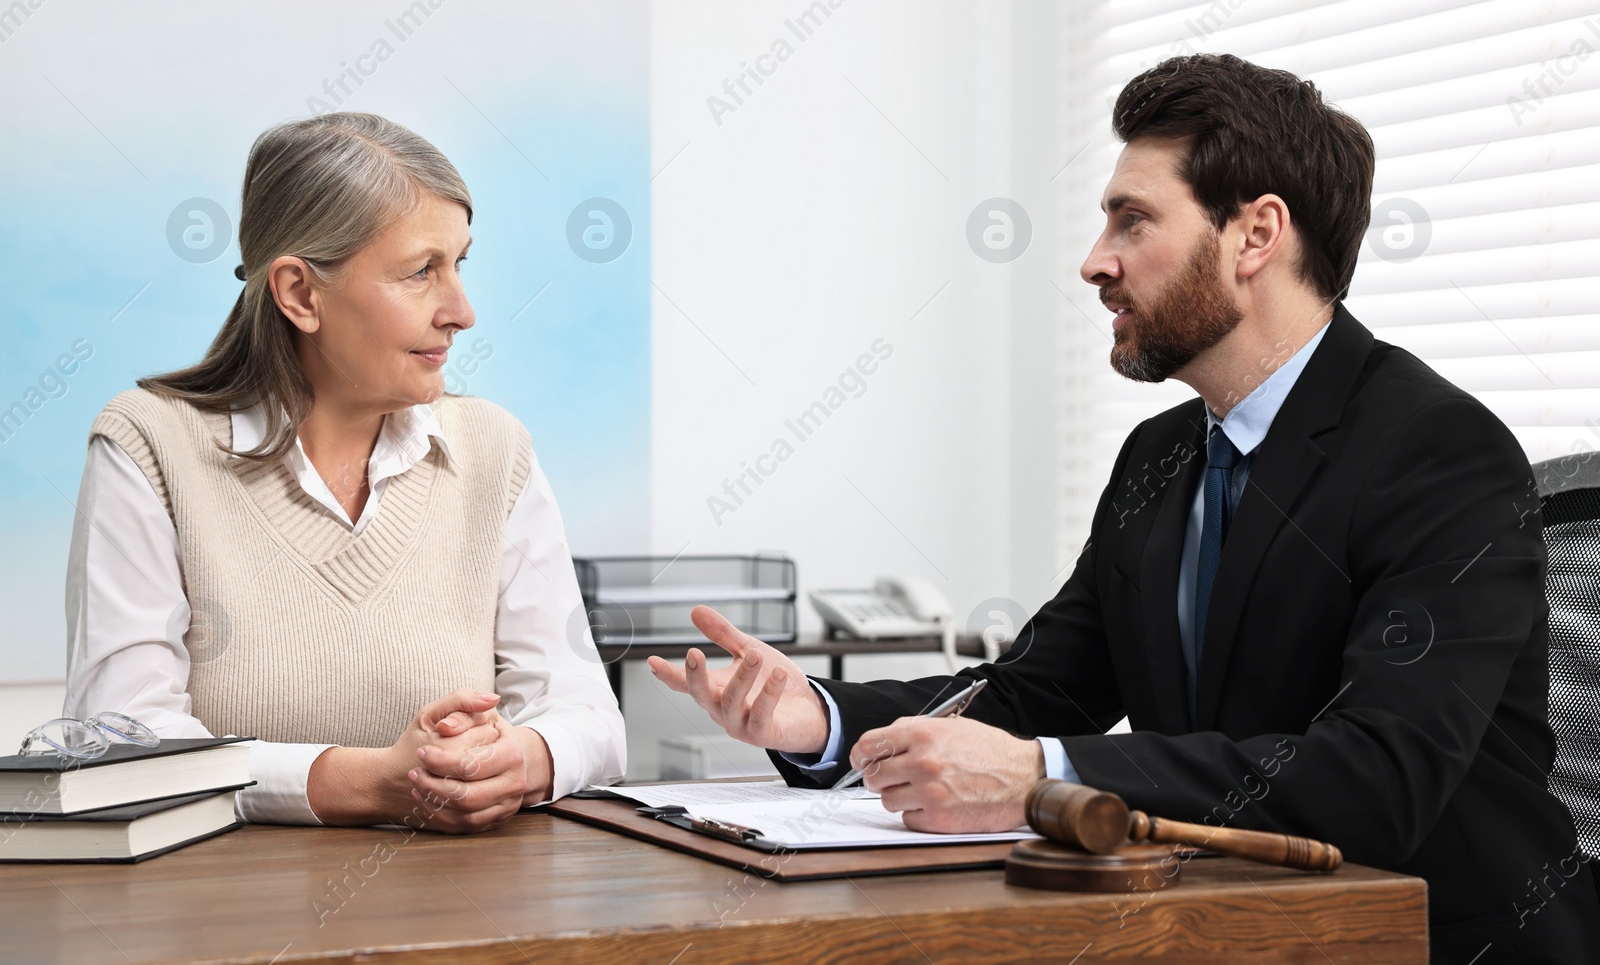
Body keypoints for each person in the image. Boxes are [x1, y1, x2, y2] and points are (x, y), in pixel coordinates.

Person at [650, 55, 1599, 960]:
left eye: (1131, 221)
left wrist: (1041, 777)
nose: (1094, 262)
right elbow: (1034, 690)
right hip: (1221, 930)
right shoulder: (1162, 456)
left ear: (1256, 235)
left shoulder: (1438, 450)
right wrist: (816, 719)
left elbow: (1379, 777)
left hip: (1433, 941)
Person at [64, 112, 625, 831]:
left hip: (463, 915)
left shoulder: (494, 449)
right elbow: (122, 743)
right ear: (300, 293)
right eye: (422, 271)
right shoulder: (148, 446)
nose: (462, 311)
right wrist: (367, 781)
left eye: (460, 264)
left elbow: (590, 717)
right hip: (217, 929)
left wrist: (526, 757)